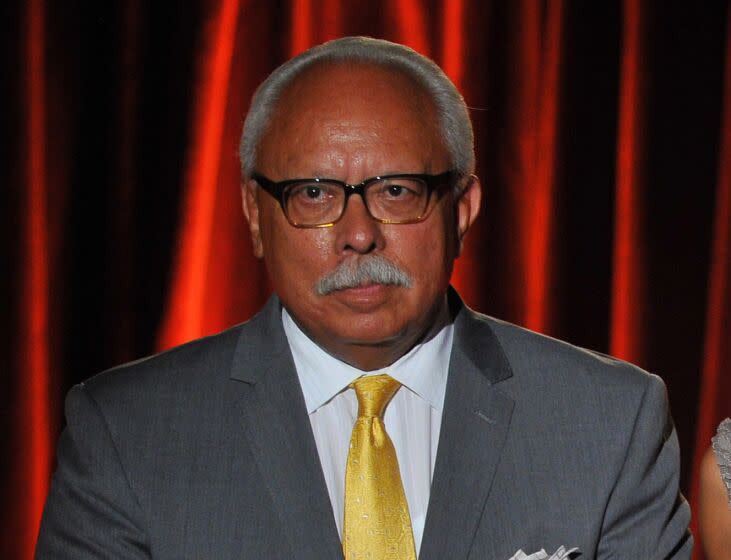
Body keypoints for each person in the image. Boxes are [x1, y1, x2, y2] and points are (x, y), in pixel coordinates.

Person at [36, 36, 692, 559]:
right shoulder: (126, 432)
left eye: (397, 191)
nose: (357, 234)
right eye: (313, 194)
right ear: (254, 215)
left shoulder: (608, 422)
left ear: (461, 208)